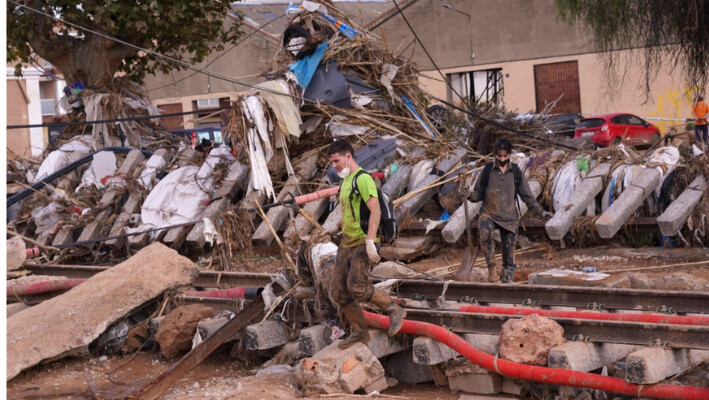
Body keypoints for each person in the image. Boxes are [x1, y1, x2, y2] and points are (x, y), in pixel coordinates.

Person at [327, 139, 406, 349]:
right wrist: (335, 229)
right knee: (339, 293)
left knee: (358, 287)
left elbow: (375, 210)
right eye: (332, 162)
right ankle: (360, 332)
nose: (334, 166)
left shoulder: (363, 179)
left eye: (336, 161)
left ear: (348, 157)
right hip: (347, 242)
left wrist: (371, 241)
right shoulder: (345, 181)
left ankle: (394, 309)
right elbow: (348, 210)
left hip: (364, 241)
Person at [469, 138, 553, 283]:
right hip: (489, 212)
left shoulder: (516, 172)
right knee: (485, 233)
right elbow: (478, 194)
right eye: (499, 156)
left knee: (508, 255)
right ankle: (492, 269)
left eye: (505, 156)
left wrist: (540, 211)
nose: (502, 159)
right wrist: (469, 194)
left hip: (509, 218)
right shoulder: (488, 170)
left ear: (509, 154)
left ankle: (507, 281)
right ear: (495, 155)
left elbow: (527, 195)